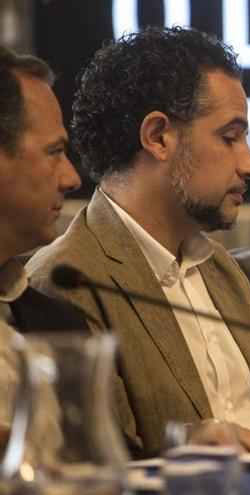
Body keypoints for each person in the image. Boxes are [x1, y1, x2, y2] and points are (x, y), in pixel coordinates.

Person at [26, 27, 250, 458]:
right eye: (230, 137)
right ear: (159, 137)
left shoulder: (222, 269)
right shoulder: (68, 283)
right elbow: (107, 459)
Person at [0, 46, 85, 444]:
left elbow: (103, 462)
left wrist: (184, 448)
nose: (71, 179)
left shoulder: (59, 322)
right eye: (55, 153)